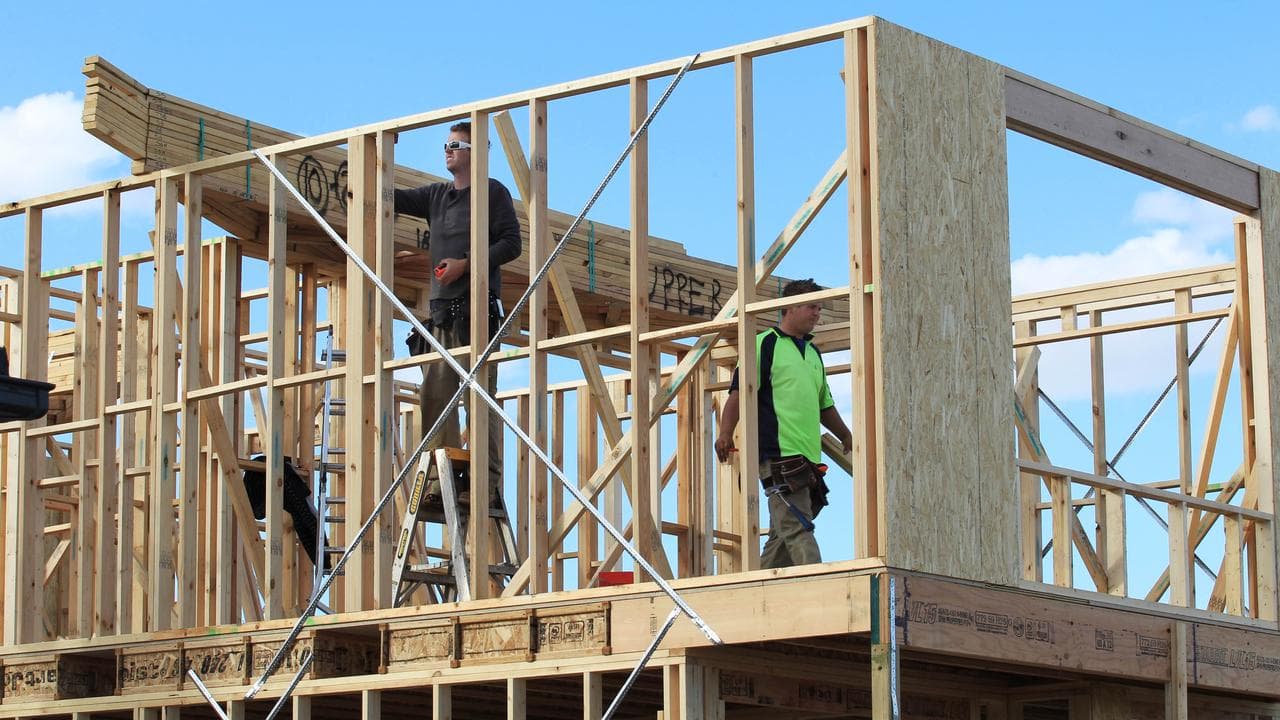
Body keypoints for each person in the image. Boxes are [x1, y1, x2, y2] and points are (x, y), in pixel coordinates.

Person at [394, 121, 522, 505]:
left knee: (478, 398)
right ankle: (443, 482)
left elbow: (512, 244)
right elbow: (393, 198)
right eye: (446, 144)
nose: (447, 149)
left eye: (456, 144)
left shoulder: (491, 193)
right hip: (441, 316)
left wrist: (465, 266)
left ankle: (484, 485)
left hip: (478, 314)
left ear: (476, 152)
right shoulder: (436, 196)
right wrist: (379, 156)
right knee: (435, 398)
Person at [714, 278, 853, 569]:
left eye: (820, 308)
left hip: (807, 458)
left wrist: (846, 435)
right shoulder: (764, 345)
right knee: (798, 526)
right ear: (790, 307)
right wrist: (726, 432)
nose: (818, 313)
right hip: (778, 455)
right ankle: (817, 583)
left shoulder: (813, 353)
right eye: (812, 307)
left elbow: (824, 405)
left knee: (782, 533)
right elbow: (739, 393)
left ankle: (755, 592)